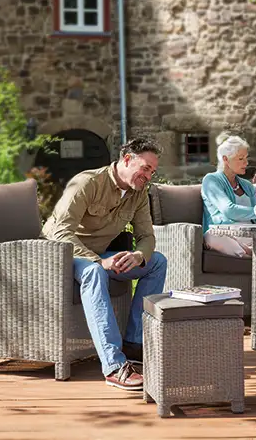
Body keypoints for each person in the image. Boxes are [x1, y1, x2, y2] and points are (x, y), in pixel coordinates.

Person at [42, 137, 168, 391]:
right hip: (61, 254)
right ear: (127, 159)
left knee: (157, 262)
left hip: (101, 253)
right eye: (145, 168)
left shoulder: (139, 193)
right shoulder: (87, 182)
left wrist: (138, 256)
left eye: (152, 172)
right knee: (94, 272)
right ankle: (113, 365)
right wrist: (100, 261)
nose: (148, 176)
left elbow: (146, 236)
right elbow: (61, 233)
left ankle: (134, 343)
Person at [202, 133, 256, 257]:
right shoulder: (211, 180)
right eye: (241, 159)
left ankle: (249, 252)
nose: (246, 163)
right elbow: (229, 210)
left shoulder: (247, 185)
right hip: (224, 232)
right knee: (211, 236)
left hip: (249, 234)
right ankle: (249, 254)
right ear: (225, 159)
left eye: (246, 158)